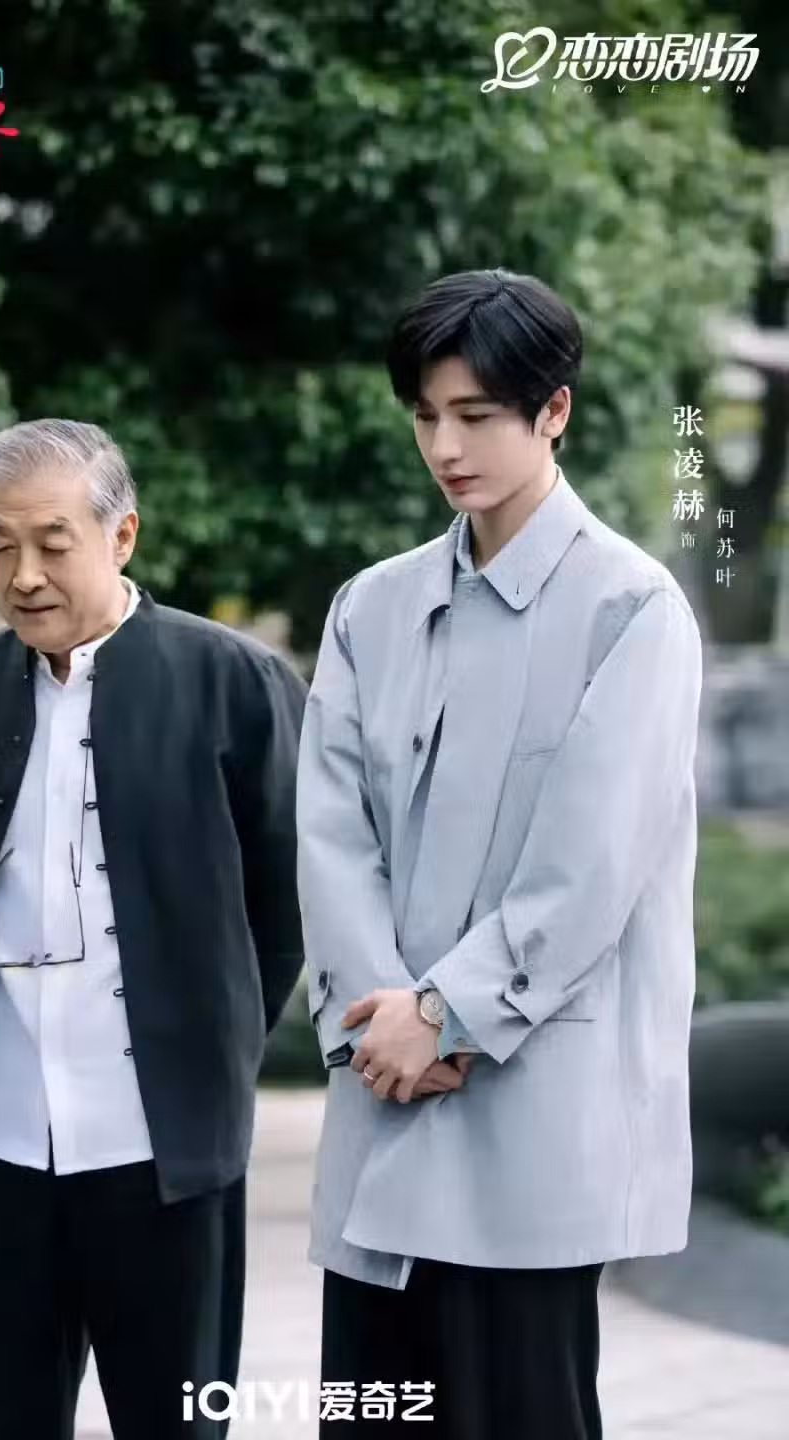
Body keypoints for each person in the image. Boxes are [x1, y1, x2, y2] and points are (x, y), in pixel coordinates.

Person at [296, 270, 703, 1439]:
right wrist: (379, 1023)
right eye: (427, 416)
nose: (445, 446)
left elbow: (589, 869)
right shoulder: (370, 610)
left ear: (553, 411)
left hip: (532, 1121)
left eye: (475, 415)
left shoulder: (632, 610)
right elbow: (330, 833)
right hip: (385, 1092)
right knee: (375, 1413)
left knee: (518, 1410)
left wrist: (445, 1015)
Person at [0, 418, 307, 1440]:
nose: (24, 575)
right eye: (1, 545)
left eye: (52, 542)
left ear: (122, 536)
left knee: (177, 1419)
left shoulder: (235, 681)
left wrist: (209, 1043)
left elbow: (288, 903)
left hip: (161, 1143)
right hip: (7, 1134)